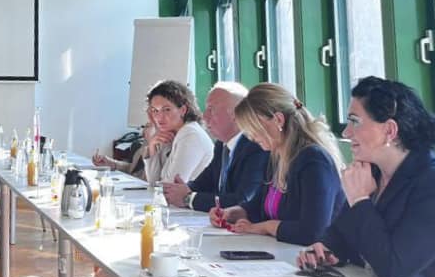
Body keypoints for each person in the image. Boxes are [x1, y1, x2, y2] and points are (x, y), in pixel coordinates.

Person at [297, 77, 435, 277]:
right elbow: (340, 237)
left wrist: (360, 200)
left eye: (355, 121)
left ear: (390, 131)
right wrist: (323, 250)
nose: (346, 132)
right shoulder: (373, 172)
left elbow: (392, 268)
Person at [211, 83, 345, 245]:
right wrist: (232, 213)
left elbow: (312, 232)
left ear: (278, 120)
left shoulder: (314, 160)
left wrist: (264, 227)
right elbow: (259, 206)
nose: (251, 137)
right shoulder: (276, 156)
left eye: (254, 128)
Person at [162, 81, 268, 212]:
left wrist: (189, 198)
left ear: (236, 113)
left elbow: (243, 200)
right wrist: (183, 189)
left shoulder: (256, 147)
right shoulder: (221, 145)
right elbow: (204, 183)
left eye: (211, 109)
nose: (204, 116)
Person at [144, 80, 213, 184]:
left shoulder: (190, 135)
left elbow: (170, 186)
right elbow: (153, 182)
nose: (159, 117)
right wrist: (152, 147)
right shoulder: (170, 134)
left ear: (183, 110)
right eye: (155, 110)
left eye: (166, 109)